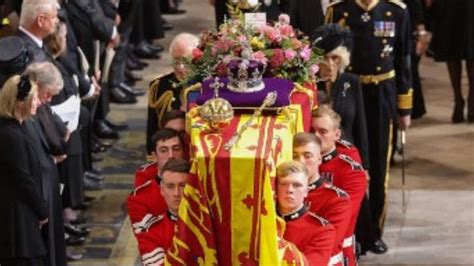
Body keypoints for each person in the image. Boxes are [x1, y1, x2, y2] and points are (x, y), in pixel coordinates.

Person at [326, 0, 413, 254]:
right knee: (346, 160)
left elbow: (404, 59)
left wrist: (404, 106)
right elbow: (325, 55)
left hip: (381, 93)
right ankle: (350, 230)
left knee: (376, 163)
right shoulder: (339, 10)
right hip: (349, 91)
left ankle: (373, 230)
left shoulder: (396, 11)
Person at [0, 75, 48, 266]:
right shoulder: (11, 135)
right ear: (21, 103)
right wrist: (42, 211)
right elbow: (22, 179)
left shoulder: (14, 129)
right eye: (34, 98)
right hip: (17, 220)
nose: (38, 102)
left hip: (21, 213)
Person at [312, 106, 367, 266]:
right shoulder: (300, 164)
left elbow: (342, 219)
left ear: (337, 135)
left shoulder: (349, 170)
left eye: (323, 131)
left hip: (335, 252)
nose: (316, 137)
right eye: (311, 131)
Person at [311, 23, 369, 169]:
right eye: (324, 58)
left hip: (346, 158)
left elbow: (360, 127)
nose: (329, 64)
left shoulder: (352, 81)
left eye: (334, 58)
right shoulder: (309, 85)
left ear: (342, 58)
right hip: (315, 158)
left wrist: (364, 166)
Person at [293, 133, 352, 266]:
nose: (300, 162)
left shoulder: (336, 199)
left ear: (319, 159)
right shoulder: (280, 191)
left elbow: (328, 245)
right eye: (295, 156)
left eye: (307, 156)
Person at [146, 33, 198, 155]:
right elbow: (152, 130)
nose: (180, 67)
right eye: (176, 61)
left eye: (186, 61)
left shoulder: (208, 85)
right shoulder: (159, 86)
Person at [275, 160, 336, 266]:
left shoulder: (322, 230)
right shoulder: (263, 220)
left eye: (297, 185)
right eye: (284, 184)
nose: (289, 190)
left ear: (306, 192)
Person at [134, 159, 190, 266]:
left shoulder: (210, 225)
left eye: (183, 185)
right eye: (170, 186)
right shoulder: (150, 232)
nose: (177, 193)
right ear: (161, 190)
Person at [430, 0, 474, 123]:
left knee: (472, 53)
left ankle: (472, 100)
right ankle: (458, 99)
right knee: (452, 52)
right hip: (450, 7)